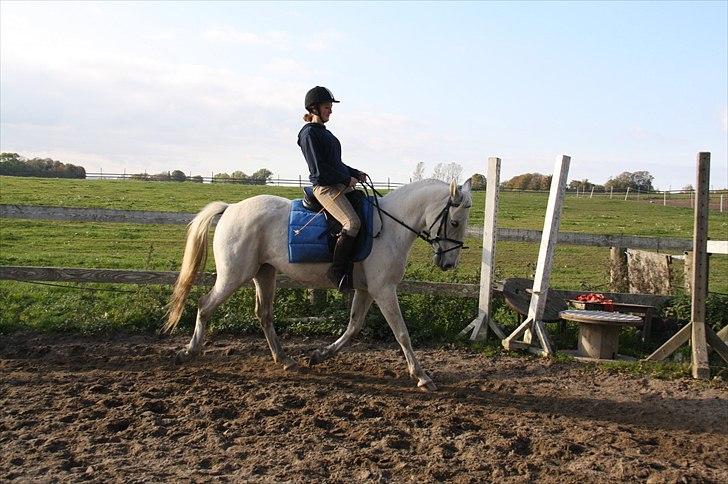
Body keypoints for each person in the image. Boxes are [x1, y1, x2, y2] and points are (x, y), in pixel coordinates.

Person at [297, 86, 367, 291]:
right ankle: (337, 271)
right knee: (352, 223)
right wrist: (347, 179)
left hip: (337, 184)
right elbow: (320, 170)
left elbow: (336, 163)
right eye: (327, 107)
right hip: (325, 188)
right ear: (314, 108)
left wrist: (355, 173)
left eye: (330, 107)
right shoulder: (309, 134)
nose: (330, 111)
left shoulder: (324, 133)